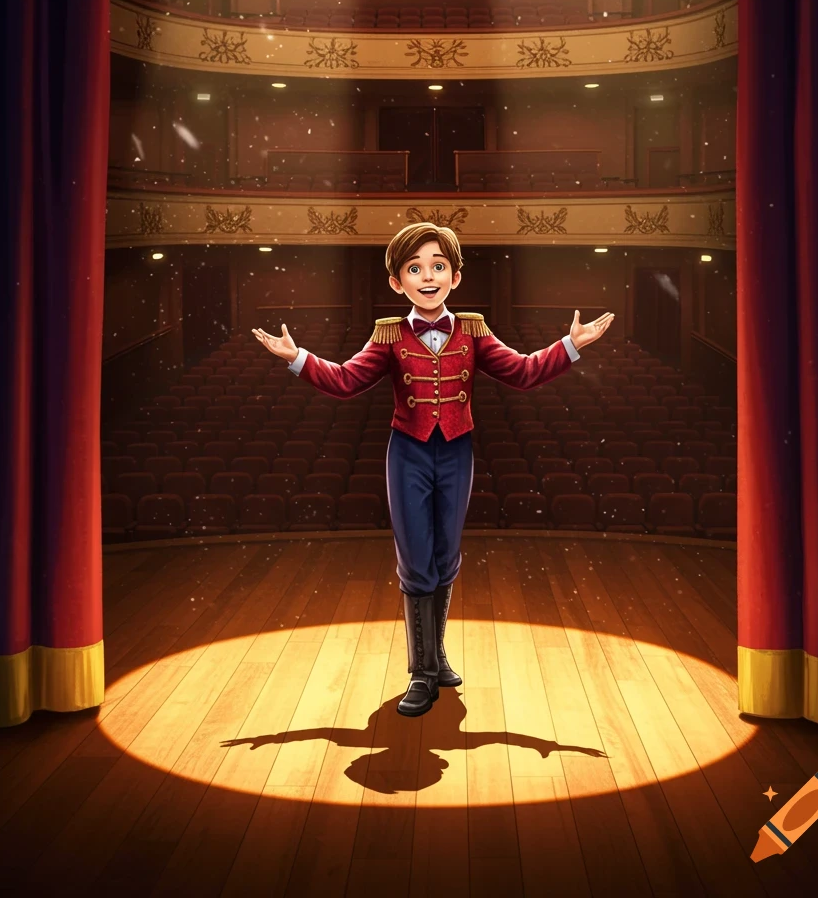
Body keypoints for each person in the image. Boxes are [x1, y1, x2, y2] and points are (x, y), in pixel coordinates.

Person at [253, 222, 614, 717]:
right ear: (397, 282)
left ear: (456, 277)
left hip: (457, 453)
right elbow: (346, 381)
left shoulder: (473, 331)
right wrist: (297, 358)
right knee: (417, 561)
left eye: (438, 266)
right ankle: (421, 675)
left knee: (446, 558)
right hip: (408, 454)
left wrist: (570, 345)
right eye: (415, 268)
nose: (428, 276)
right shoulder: (388, 335)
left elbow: (524, 373)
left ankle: (436, 655)